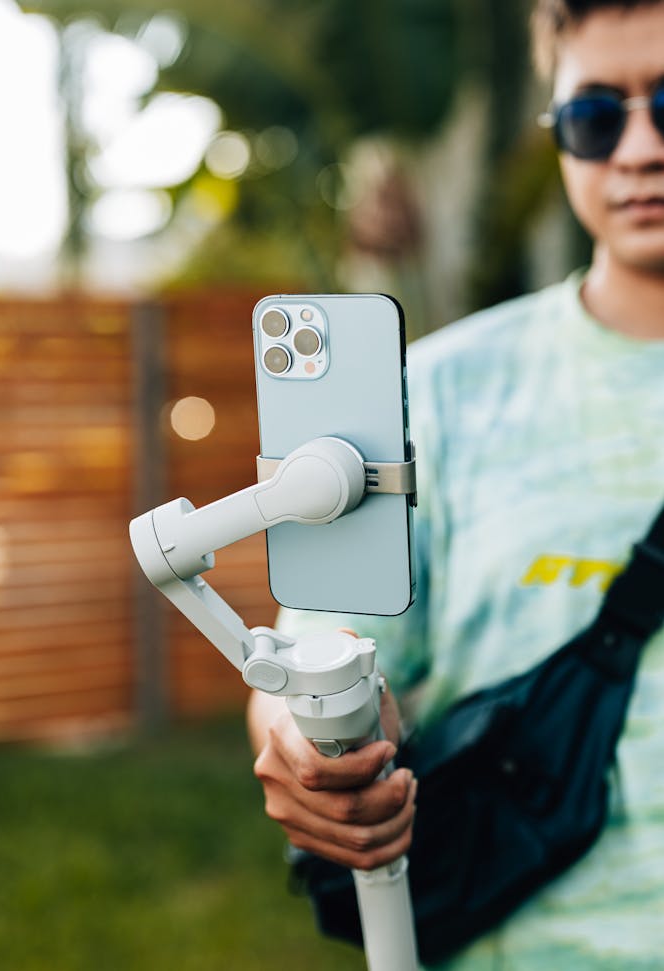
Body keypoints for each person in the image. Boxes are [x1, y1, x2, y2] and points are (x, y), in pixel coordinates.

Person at [246, 0, 664, 967]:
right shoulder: (427, 392)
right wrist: (317, 746)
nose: (639, 149)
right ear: (559, 130)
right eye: (597, 115)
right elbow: (323, 653)